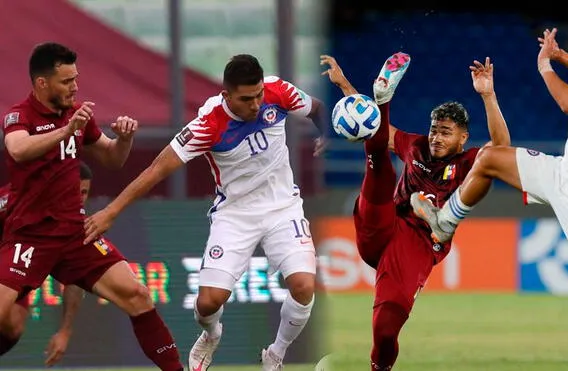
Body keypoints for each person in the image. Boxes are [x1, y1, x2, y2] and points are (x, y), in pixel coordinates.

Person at [411, 12, 568, 371]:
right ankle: (444, 222)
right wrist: (561, 56)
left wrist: (545, 67)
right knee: (488, 157)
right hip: (562, 172)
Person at [83, 54, 329, 371]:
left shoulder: (277, 91)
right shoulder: (207, 125)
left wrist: (325, 133)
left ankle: (275, 355)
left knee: (303, 285)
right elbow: (156, 170)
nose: (255, 105)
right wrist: (111, 212)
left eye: (258, 96)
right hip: (235, 215)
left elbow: (317, 109)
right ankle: (211, 335)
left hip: (283, 207)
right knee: (208, 303)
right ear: (226, 95)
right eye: (245, 99)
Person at [320, 51, 510, 370]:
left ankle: (380, 367)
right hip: (383, 222)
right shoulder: (416, 146)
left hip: (418, 242)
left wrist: (488, 95)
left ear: (463, 138)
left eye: (445, 132)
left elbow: (502, 147)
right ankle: (384, 96)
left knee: (384, 329)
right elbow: (372, 125)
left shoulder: (469, 162)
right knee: (380, 164)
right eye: (434, 129)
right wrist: (344, 85)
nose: (435, 137)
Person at [0, 42, 183, 371]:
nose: (75, 87)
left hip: (74, 234)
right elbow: (18, 149)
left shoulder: (78, 115)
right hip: (30, 235)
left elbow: (112, 158)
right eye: (66, 81)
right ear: (42, 84)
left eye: (76, 79)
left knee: (138, 295)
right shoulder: (20, 115)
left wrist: (124, 139)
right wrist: (65, 130)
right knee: (3, 320)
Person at [0, 162, 94, 366]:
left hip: (12, 290)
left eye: (84, 193)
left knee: (14, 324)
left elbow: (76, 280)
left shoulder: (76, 228)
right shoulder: (13, 199)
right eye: (74, 191)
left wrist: (65, 331)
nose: (78, 199)